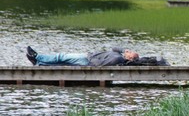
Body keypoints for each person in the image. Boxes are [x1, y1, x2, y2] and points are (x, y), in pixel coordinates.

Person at [25, 46, 169, 66]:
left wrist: (90, 59)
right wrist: (124, 49)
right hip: (88, 57)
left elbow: (100, 64)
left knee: (61, 56)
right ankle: (38, 63)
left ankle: (38, 56)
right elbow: (114, 47)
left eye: (129, 52)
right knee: (63, 62)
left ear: (130, 58)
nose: (127, 51)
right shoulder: (119, 53)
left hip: (87, 60)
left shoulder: (117, 58)